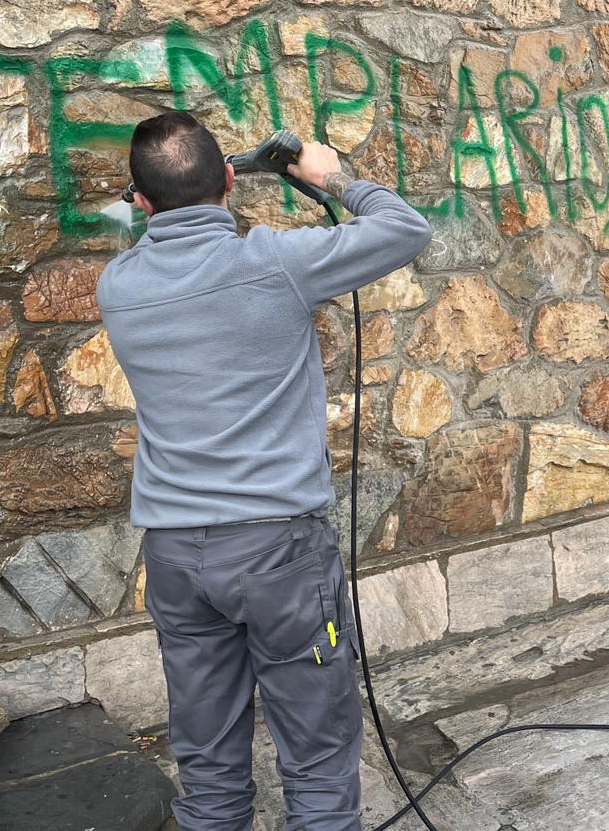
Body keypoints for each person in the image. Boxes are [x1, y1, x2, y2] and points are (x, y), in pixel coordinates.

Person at [97, 112, 432, 831]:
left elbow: (161, 225)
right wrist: (327, 175)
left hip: (178, 556)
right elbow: (406, 228)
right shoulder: (273, 261)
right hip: (277, 553)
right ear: (226, 180)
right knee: (316, 759)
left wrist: (177, 192)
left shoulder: (117, 287)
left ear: (142, 201)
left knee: (208, 763)